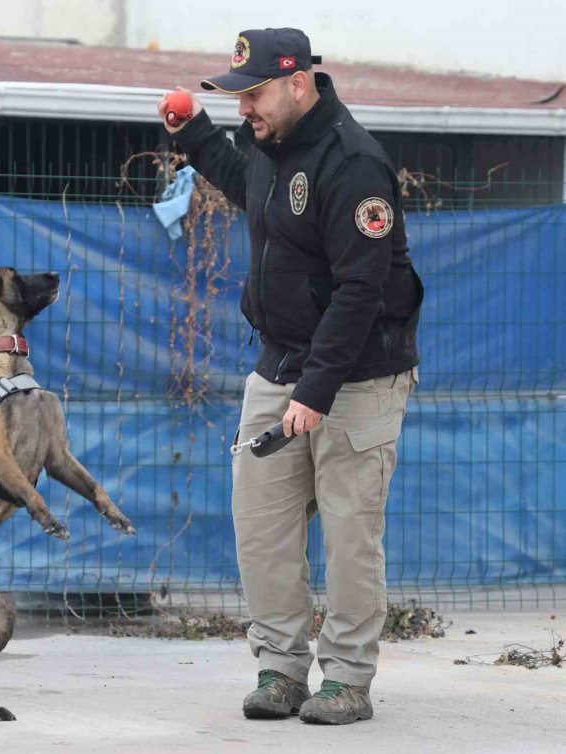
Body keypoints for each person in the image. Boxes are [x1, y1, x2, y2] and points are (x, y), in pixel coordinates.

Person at [157, 27, 423, 725]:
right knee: (261, 527)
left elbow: (361, 292)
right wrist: (194, 134)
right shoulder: (269, 150)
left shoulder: (354, 164)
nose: (244, 107)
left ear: (298, 83)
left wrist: (315, 392)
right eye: (236, 96)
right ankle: (279, 670)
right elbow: (248, 186)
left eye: (253, 94)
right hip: (278, 366)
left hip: (358, 377)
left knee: (348, 533)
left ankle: (348, 680)